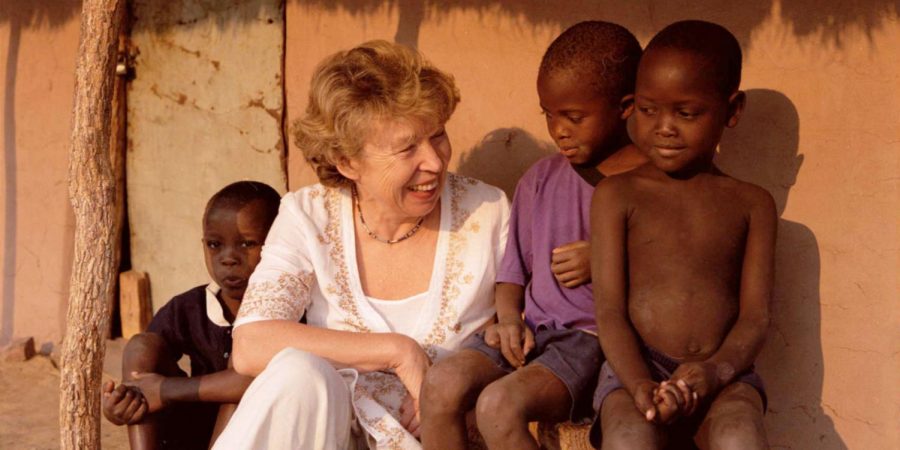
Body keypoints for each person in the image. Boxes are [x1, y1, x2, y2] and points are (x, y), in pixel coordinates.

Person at [212, 40, 509, 450]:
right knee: (298, 373)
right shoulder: (308, 214)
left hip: (435, 440)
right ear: (347, 162)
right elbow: (251, 344)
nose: (436, 162)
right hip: (328, 437)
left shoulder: (488, 212)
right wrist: (397, 352)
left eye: (437, 135)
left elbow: (525, 332)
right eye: (407, 148)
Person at [419, 21, 645, 449]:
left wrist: (606, 256)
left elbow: (675, 267)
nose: (558, 129)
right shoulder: (540, 179)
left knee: (497, 406)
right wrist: (507, 321)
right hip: (529, 333)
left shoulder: (651, 186)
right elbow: (512, 273)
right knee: (442, 382)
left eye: (574, 117)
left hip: (587, 342)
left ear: (625, 106)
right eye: (549, 114)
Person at [590, 20, 775, 449]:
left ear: (732, 110)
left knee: (740, 437)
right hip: (635, 367)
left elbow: (755, 318)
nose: (664, 127)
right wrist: (639, 384)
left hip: (724, 373)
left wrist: (716, 371)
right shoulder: (616, 195)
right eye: (648, 110)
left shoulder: (752, 204)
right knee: (627, 438)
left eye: (686, 113)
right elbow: (609, 313)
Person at [101, 181, 282, 449]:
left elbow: (254, 380)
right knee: (141, 345)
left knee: (243, 358)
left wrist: (164, 391)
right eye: (214, 244)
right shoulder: (190, 307)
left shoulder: (288, 309)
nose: (228, 258)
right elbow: (146, 368)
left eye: (247, 243)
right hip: (191, 430)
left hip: (257, 434)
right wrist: (122, 405)